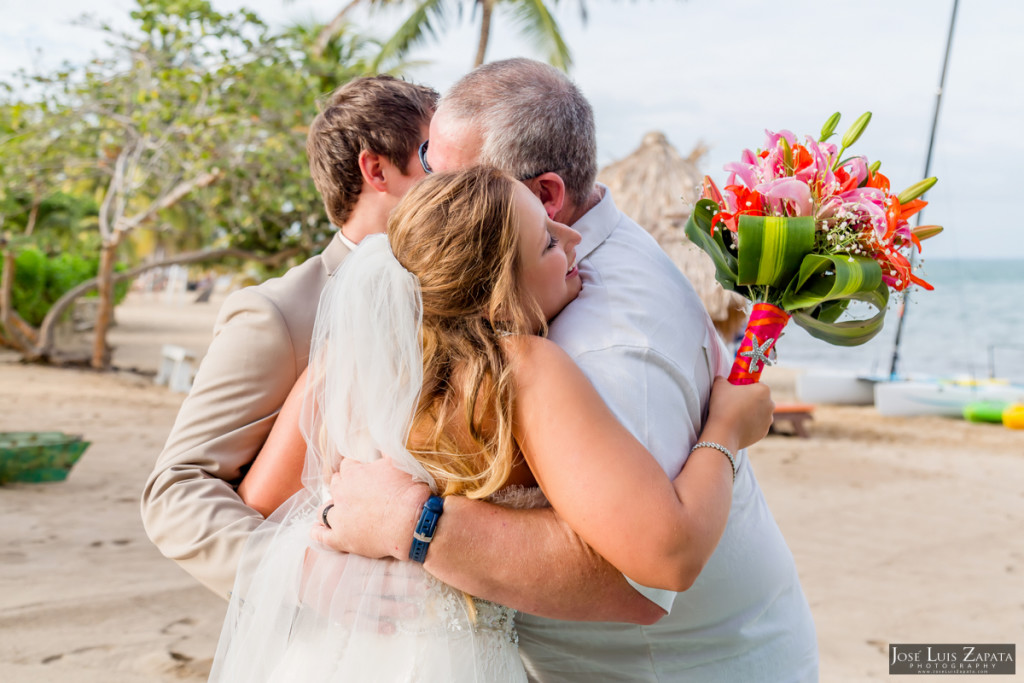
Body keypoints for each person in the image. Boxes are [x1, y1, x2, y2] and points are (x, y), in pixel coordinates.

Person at [318, 58, 820, 681]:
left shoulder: (597, 346)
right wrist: (325, 546)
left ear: (546, 195)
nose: (432, 195)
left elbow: (647, 571)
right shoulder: (436, 329)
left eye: (454, 177)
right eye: (428, 163)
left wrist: (408, 524)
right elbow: (287, 497)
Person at [210, 166, 776, 681]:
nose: (576, 239)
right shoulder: (523, 371)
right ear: (501, 304)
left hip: (328, 658)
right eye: (550, 242)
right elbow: (669, 557)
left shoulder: (346, 362)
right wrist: (724, 430)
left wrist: (331, 552)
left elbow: (258, 507)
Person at [140, 75, 438, 596]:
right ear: (377, 169)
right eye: (437, 157)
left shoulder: (475, 289)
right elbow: (176, 491)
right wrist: (311, 583)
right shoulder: (278, 312)